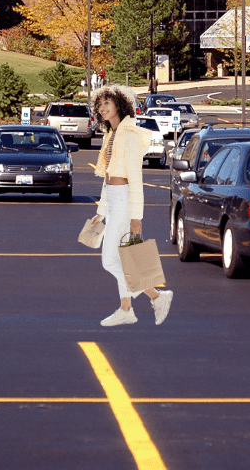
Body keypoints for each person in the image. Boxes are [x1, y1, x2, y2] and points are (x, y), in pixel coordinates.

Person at [91, 84, 173, 327]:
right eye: (100, 104)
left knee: (110, 261)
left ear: (120, 104)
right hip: (113, 199)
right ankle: (126, 309)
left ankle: (157, 296)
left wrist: (136, 217)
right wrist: (101, 211)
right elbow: (108, 176)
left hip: (124, 201)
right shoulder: (112, 134)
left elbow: (136, 180)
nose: (102, 108)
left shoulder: (130, 135)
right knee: (124, 258)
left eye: (107, 103)